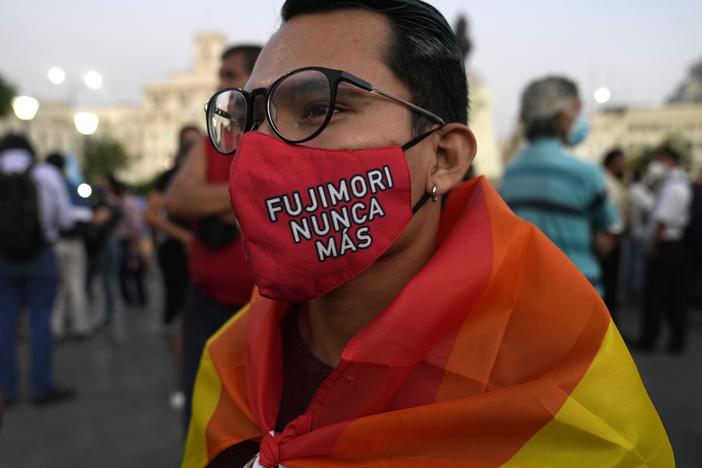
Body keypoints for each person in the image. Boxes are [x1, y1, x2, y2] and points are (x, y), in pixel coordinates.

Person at [182, 2, 672, 467]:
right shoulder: (230, 359)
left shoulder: (559, 386)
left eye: (317, 108)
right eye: (248, 119)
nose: (260, 148)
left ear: (443, 158)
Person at [166, 44, 261, 427]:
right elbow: (178, 199)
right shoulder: (213, 143)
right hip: (207, 306)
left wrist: (214, 199)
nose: (220, 84)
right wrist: (250, 193)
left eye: (230, 75)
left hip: (266, 311)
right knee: (203, 413)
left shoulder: (286, 138)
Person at [501, 76, 621, 296]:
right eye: (577, 107)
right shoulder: (586, 173)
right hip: (579, 294)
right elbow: (610, 229)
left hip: (526, 293)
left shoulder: (511, 172)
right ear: (562, 116)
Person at [0, 134, 75, 406]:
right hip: (40, 254)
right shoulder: (45, 173)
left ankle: (6, 391)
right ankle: (41, 386)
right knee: (41, 321)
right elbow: (65, 218)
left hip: (3, 259)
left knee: (4, 323)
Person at [145, 125, 201, 410]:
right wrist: (183, 237)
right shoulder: (169, 179)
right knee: (181, 317)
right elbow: (152, 215)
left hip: (205, 255)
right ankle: (182, 383)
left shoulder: (209, 175)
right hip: (177, 257)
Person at [638, 146, 692, 353]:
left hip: (667, 247)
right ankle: (674, 340)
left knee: (659, 296)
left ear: (668, 161)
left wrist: (653, 247)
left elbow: (663, 221)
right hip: (671, 247)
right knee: (672, 296)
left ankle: (651, 339)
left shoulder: (674, 187)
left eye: (658, 160)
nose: (655, 165)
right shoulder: (674, 184)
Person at [46, 152, 93, 340]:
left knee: (56, 287)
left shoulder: (47, 186)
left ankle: (55, 327)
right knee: (76, 283)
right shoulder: (73, 186)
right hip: (75, 242)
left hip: (55, 242)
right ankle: (80, 325)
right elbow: (86, 214)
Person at [85, 174, 123, 329]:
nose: (100, 184)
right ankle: (106, 313)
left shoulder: (111, 202)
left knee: (106, 281)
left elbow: (98, 220)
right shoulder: (104, 201)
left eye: (103, 182)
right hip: (104, 244)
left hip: (108, 244)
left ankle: (108, 314)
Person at [600, 148, 627, 318]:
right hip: (607, 240)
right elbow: (607, 214)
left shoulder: (615, 182)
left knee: (612, 282)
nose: (625, 165)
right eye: (622, 161)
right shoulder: (604, 181)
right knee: (608, 282)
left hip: (614, 239)